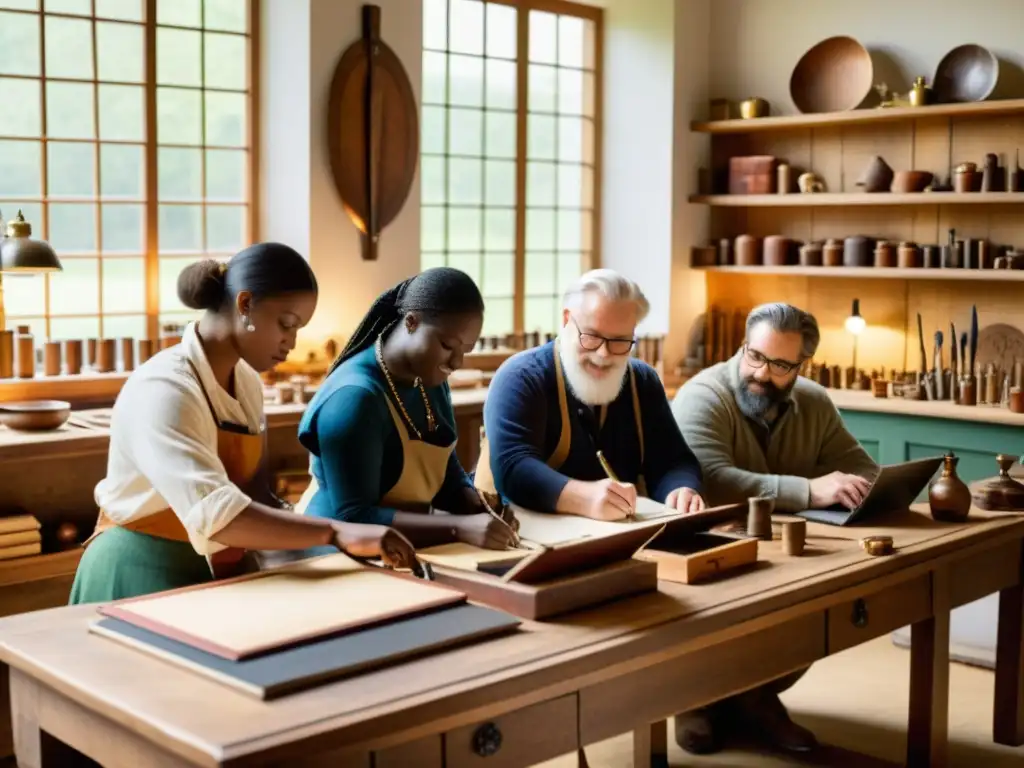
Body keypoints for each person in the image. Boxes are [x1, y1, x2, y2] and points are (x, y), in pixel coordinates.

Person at [69, 244, 418, 605]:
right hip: (138, 568)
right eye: (286, 324)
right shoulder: (164, 389)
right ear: (245, 304)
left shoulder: (246, 381)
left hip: (212, 566)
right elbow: (220, 516)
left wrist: (327, 545)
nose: (292, 342)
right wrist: (335, 532)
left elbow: (253, 493)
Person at [669, 302, 878, 756]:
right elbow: (711, 477)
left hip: (782, 554)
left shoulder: (815, 402)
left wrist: (864, 489)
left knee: (822, 598)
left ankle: (756, 698)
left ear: (802, 366)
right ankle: (697, 700)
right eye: (755, 356)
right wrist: (809, 490)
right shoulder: (703, 395)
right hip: (708, 554)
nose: (762, 374)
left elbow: (863, 469)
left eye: (781, 365)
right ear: (743, 345)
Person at [294, 267, 517, 550]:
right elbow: (353, 518)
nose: (457, 362)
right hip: (333, 557)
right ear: (411, 322)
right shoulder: (354, 398)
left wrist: (478, 506)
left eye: (466, 349)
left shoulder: (429, 377)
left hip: (401, 549)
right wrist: (458, 528)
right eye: (448, 345)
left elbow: (443, 475)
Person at [480, 268, 704, 519]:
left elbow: (673, 460)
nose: (603, 354)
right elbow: (512, 468)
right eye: (591, 337)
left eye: (620, 341)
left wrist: (681, 489)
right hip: (522, 537)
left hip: (617, 538)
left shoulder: (642, 381)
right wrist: (584, 498)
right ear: (567, 321)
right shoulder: (522, 377)